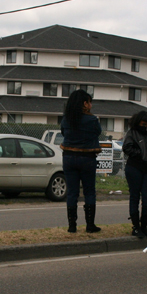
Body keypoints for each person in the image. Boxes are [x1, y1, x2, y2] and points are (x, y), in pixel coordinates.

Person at [60, 89, 102, 233]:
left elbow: (63, 133)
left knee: (72, 192)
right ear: (85, 103)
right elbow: (98, 132)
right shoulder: (92, 120)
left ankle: (72, 226)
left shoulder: (66, 119)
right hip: (87, 157)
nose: (91, 105)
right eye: (89, 102)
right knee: (89, 192)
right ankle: (90, 225)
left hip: (68, 157)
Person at [122, 111, 147, 239]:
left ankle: (144, 226)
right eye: (143, 124)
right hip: (134, 167)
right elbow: (126, 148)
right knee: (134, 196)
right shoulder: (132, 133)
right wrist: (140, 155)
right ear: (138, 122)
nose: (145, 127)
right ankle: (136, 227)